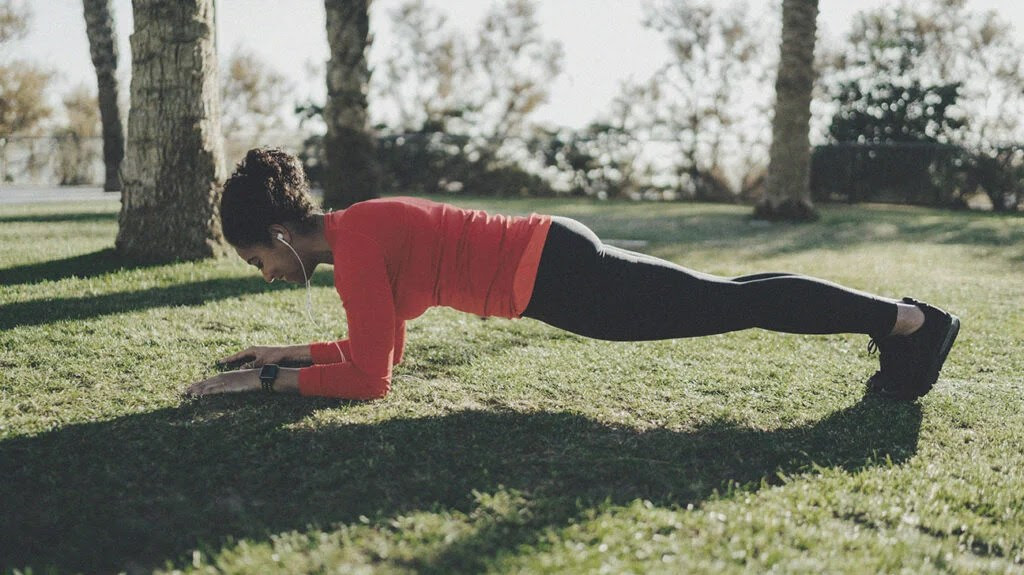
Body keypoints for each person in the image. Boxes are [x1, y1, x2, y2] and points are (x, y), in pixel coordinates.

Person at [186, 148, 960, 402]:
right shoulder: (357, 231)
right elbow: (373, 353)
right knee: (734, 297)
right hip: (558, 258)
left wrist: (260, 385)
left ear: (281, 234)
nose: (264, 274)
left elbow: (372, 378)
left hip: (563, 279)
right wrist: (283, 356)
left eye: (259, 260)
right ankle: (904, 323)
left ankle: (910, 325)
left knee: (736, 304)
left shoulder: (353, 250)